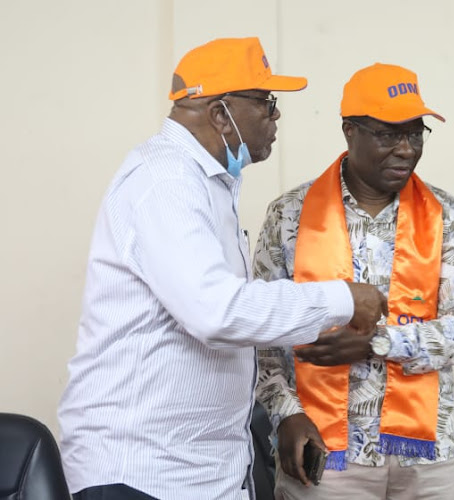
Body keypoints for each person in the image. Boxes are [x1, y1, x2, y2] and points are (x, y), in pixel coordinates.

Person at [57, 37, 387, 500]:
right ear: (220, 113)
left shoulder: (206, 181)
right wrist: (343, 298)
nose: (276, 118)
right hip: (143, 472)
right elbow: (216, 311)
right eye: (266, 103)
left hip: (196, 468)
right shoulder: (166, 180)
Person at [252, 63, 454, 500]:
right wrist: (285, 415)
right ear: (349, 131)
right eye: (386, 134)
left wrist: (377, 343)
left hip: (427, 455)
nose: (405, 149)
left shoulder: (445, 215)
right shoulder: (290, 215)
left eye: (415, 134)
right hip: (325, 450)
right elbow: (261, 333)